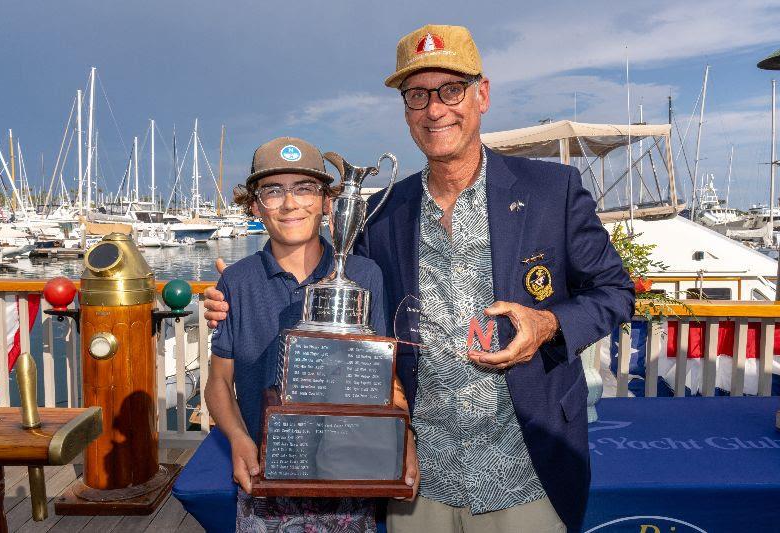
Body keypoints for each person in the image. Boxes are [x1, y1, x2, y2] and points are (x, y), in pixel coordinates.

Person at [205, 26, 634, 533]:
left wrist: (546, 324)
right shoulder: (385, 212)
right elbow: (331, 274)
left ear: (482, 95)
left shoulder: (551, 191)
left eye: (451, 90)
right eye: (417, 96)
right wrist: (234, 292)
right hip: (416, 480)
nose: (435, 110)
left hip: (527, 473)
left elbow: (615, 292)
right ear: (406, 110)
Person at [205, 136, 417, 533]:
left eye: (304, 188)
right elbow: (217, 383)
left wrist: (404, 439)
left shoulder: (365, 275)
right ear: (254, 205)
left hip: (349, 477)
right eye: (273, 190)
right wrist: (237, 439)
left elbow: (386, 377)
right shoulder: (237, 282)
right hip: (265, 478)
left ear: (327, 202)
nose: (289, 203)